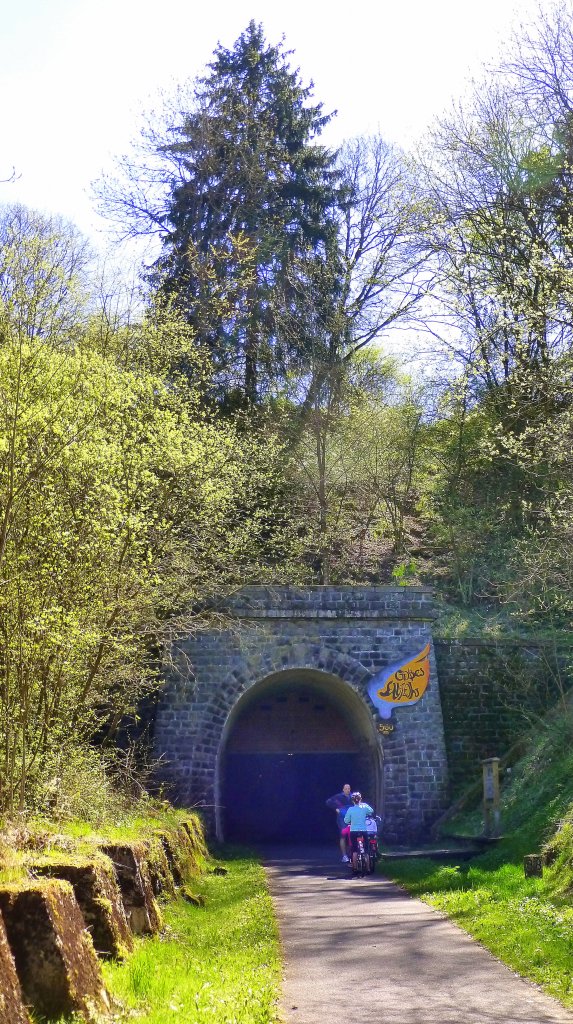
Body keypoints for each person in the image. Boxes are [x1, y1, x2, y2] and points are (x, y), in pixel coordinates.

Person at [344, 791, 374, 869]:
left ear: (352, 800)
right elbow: (371, 811)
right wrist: (365, 806)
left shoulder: (350, 809)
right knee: (366, 850)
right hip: (363, 831)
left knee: (354, 850)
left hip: (353, 831)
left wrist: (350, 821)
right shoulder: (364, 807)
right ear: (360, 799)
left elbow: (346, 820)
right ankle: (368, 868)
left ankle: (355, 868)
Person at [325, 783, 353, 862]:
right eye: (346, 789)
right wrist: (336, 808)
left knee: (352, 835)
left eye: (349, 788)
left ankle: (351, 854)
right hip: (342, 818)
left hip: (352, 817)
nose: (348, 790)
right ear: (343, 789)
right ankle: (344, 856)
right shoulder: (339, 796)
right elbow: (328, 801)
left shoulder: (352, 796)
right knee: (343, 835)